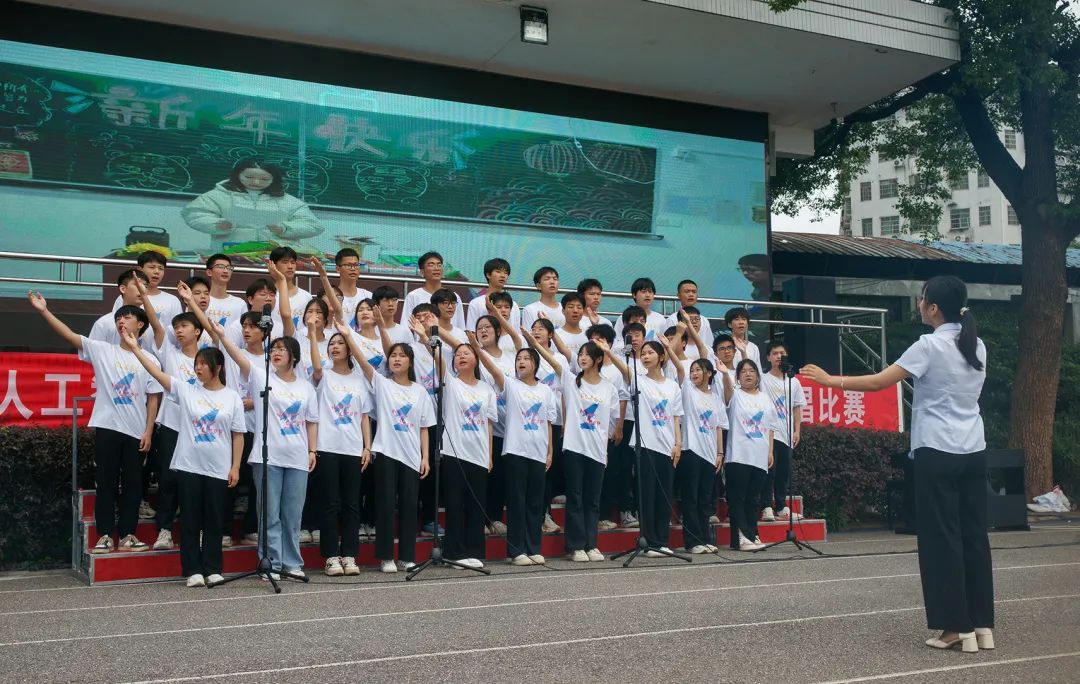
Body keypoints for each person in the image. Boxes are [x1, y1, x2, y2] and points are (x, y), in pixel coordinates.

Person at [801, 276, 993, 653]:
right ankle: (981, 625)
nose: (919, 305)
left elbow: (879, 382)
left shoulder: (929, 345)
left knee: (941, 539)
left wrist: (829, 380)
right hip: (973, 449)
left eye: (922, 299)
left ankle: (955, 627)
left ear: (933, 308)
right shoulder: (977, 344)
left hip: (937, 450)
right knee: (973, 536)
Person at [29, 292, 161, 554]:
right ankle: (104, 535)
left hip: (136, 432)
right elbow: (69, 335)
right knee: (106, 482)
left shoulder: (151, 360)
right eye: (119, 318)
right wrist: (44, 311)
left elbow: (153, 399)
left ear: (140, 325)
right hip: (108, 427)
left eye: (127, 317)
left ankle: (128, 534)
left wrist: (148, 431)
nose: (121, 321)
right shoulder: (103, 350)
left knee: (133, 485)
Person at [122, 335, 245, 587]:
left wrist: (235, 466)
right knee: (190, 518)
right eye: (196, 363)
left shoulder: (232, 397)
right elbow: (157, 373)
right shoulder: (187, 390)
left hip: (218, 468)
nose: (197, 368)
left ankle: (213, 568)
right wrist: (135, 349)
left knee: (214, 519)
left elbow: (238, 434)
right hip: (189, 465)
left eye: (203, 364)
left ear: (218, 368)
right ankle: (192, 570)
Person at [214, 321, 318, 580]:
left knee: (292, 515)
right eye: (273, 349)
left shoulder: (306, 387)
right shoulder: (263, 377)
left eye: (282, 349)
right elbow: (239, 358)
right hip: (268, 457)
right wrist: (222, 336)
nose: (276, 352)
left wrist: (312, 451)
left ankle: (292, 562)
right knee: (269, 514)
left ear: (294, 356)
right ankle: (270, 562)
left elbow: (311, 421)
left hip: (297, 457)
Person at [338, 319, 435, 574]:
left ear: (411, 362)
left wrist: (425, 457)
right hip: (386, 452)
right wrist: (348, 337)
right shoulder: (382, 384)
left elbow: (424, 427)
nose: (397, 359)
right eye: (393, 356)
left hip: (411, 455)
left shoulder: (420, 392)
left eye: (402, 356)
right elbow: (362, 362)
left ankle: (407, 556)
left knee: (409, 507)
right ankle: (386, 557)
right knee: (385, 505)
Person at [478, 343, 557, 566]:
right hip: (515, 450)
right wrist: (476, 346)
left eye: (526, 359)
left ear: (536, 364)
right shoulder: (511, 385)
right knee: (516, 502)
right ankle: (516, 550)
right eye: (518, 359)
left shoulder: (546, 391)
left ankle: (533, 548)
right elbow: (492, 369)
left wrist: (550, 451)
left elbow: (548, 422)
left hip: (539, 452)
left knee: (535, 503)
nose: (521, 362)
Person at [547, 340, 622, 562]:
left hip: (597, 451)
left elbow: (610, 422)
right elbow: (553, 362)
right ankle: (576, 546)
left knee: (593, 500)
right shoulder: (572, 381)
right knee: (576, 497)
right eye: (580, 354)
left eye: (587, 354)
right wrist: (533, 340)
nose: (582, 357)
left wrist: (605, 450)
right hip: (574, 447)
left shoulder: (609, 388)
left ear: (598, 359)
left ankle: (591, 544)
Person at [309, 328, 372, 577]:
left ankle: (349, 555)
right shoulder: (323, 375)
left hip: (353, 448)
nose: (334, 347)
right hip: (327, 447)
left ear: (349, 350)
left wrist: (367, 446)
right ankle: (331, 557)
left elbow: (364, 416)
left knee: (351, 504)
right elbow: (316, 366)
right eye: (331, 344)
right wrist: (312, 332)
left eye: (339, 343)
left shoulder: (359, 380)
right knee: (330, 503)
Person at [616, 339, 683, 555]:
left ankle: (662, 541)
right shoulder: (639, 380)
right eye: (643, 353)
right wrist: (609, 352)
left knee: (664, 495)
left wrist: (678, 444)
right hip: (645, 446)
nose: (645, 356)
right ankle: (649, 542)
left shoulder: (672, 386)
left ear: (661, 357)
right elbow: (625, 370)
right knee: (647, 494)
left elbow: (676, 417)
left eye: (650, 353)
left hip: (667, 446)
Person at [438, 342, 497, 569]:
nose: (461, 356)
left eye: (466, 353)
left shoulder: (486, 389)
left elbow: (489, 424)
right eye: (457, 354)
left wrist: (489, 454)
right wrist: (426, 337)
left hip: (479, 453)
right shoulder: (451, 383)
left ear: (476, 359)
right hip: (454, 452)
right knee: (454, 505)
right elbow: (439, 361)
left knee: (476, 506)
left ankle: (474, 551)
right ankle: (454, 553)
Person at [181, 157, 323, 250]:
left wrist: (285, 229)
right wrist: (217, 224)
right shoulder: (219, 195)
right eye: (248, 177)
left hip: (277, 258)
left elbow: (314, 225)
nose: (255, 182)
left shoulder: (288, 201)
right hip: (229, 255)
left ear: (274, 179)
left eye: (264, 179)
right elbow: (194, 214)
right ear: (238, 174)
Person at [720, 358, 776, 551]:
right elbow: (727, 391)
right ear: (738, 377)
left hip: (759, 456)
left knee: (753, 499)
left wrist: (770, 451)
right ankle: (742, 536)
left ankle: (751, 534)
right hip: (738, 455)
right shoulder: (735, 395)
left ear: (758, 375)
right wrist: (725, 374)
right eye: (743, 371)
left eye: (752, 370)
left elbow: (770, 427)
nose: (748, 374)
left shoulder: (765, 398)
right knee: (737, 498)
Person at [474, 313, 516, 535]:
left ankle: (495, 517)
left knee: (500, 475)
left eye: (487, 327)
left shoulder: (511, 358)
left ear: (499, 331)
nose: (483, 331)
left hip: (508, 427)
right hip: (483, 425)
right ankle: (479, 518)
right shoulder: (474, 356)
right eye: (479, 328)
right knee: (483, 474)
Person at [679, 358, 725, 553]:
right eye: (693, 370)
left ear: (709, 373)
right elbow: (680, 370)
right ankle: (692, 542)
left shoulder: (716, 398)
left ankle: (705, 539)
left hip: (710, 453)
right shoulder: (688, 390)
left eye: (698, 370)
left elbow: (719, 427)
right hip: (691, 450)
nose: (694, 373)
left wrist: (720, 452)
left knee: (705, 499)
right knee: (691, 497)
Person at [759, 341, 806, 522]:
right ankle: (766, 507)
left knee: (783, 473)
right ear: (768, 357)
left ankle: (781, 506)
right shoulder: (763, 379)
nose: (779, 356)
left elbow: (797, 407)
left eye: (782, 353)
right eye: (775, 353)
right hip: (769, 433)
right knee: (769, 471)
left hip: (787, 434)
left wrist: (797, 431)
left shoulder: (794, 381)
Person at [110, 251, 182, 329]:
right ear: (140, 269)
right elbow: (115, 324)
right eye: (152, 267)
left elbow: (177, 328)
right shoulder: (126, 297)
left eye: (161, 268)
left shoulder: (172, 300)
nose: (157, 272)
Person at [401, 251, 466, 329]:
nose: (436, 268)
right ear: (422, 271)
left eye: (439, 265)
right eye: (431, 265)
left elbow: (461, 327)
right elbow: (406, 326)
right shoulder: (413, 296)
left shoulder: (454, 296)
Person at [466, 257, 522, 333]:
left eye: (506, 273)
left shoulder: (514, 305)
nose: (503, 276)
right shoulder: (476, 303)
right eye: (498, 272)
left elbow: (517, 332)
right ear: (488, 275)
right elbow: (471, 331)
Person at [268, 246, 313, 331]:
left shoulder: (306, 296)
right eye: (285, 262)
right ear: (273, 265)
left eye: (293, 262)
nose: (290, 266)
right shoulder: (268, 295)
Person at [665, 280, 714, 352]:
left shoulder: (704, 320)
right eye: (687, 291)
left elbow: (709, 344)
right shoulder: (672, 319)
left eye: (694, 292)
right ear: (678, 295)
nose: (691, 294)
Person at [204, 254, 247, 328]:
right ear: (209, 272)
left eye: (229, 268)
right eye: (220, 267)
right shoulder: (200, 300)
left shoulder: (240, 304)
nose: (226, 271)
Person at [333, 248, 373, 321]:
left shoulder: (368, 296)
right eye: (348, 265)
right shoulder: (331, 297)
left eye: (356, 265)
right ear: (338, 269)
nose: (353, 269)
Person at [554, 292, 589, 369]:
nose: (575, 310)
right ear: (563, 311)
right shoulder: (555, 335)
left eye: (579, 307)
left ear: (583, 311)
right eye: (571, 307)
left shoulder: (588, 336)